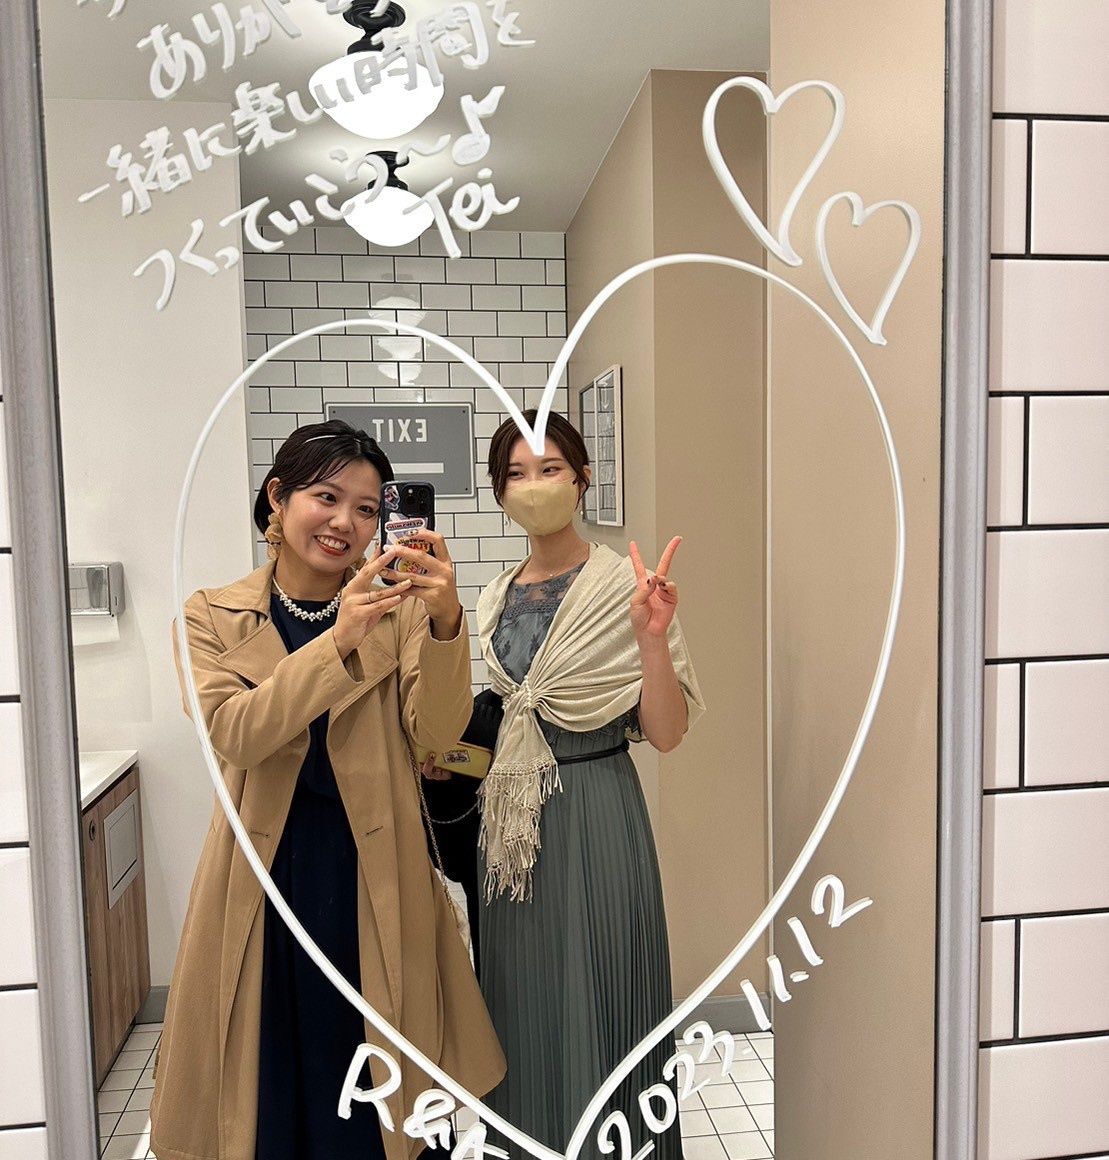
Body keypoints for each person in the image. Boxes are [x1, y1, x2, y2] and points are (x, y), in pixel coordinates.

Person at [149, 420, 505, 1160]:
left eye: (368, 509)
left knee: (382, 1083)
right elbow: (236, 733)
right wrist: (336, 641)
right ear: (277, 498)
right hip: (263, 879)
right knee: (266, 1084)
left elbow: (436, 734)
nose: (346, 522)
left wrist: (446, 624)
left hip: (376, 873)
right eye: (326, 497)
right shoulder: (210, 615)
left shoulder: (402, 610)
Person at [425, 410, 704, 1160]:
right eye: (515, 474)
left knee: (606, 994)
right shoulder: (493, 598)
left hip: (596, 811)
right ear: (498, 493)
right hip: (510, 836)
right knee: (521, 1005)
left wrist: (651, 639)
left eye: (549, 468)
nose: (533, 485)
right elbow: (496, 726)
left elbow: (667, 733)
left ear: (582, 479)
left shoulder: (622, 586)